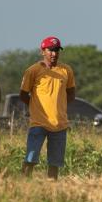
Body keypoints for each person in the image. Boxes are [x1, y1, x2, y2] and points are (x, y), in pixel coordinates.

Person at [20, 36, 76, 179]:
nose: (54, 53)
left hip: (60, 124)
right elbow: (23, 94)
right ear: (42, 51)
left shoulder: (66, 70)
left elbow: (71, 94)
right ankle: (23, 184)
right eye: (50, 50)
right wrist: (36, 106)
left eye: (56, 50)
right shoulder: (33, 70)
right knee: (31, 158)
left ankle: (52, 189)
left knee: (54, 163)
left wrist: (59, 107)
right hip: (39, 123)